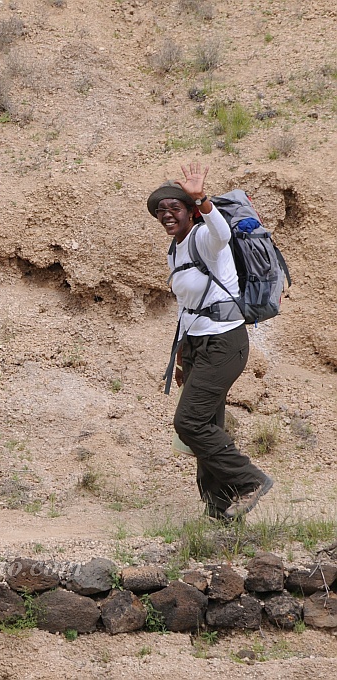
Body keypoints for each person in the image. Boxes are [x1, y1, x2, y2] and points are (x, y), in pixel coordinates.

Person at [148, 162, 272, 521]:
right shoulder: (176, 249)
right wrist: (184, 359)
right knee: (207, 427)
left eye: (175, 208)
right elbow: (188, 307)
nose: (167, 215)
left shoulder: (204, 237)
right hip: (200, 346)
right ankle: (220, 510)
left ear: (189, 212)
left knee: (190, 423)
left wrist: (202, 199)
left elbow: (222, 233)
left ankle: (249, 480)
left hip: (225, 342)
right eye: (161, 210)